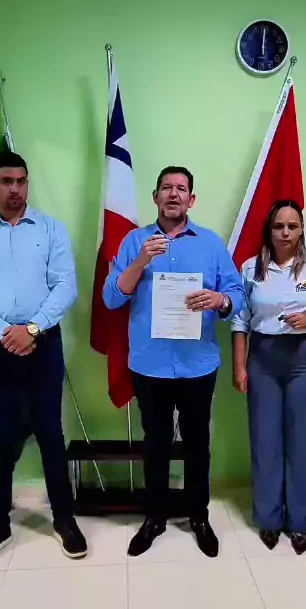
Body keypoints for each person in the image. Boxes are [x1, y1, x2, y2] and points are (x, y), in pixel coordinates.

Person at [0, 151, 87, 571]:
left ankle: (64, 519)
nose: (15, 189)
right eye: (6, 181)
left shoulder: (50, 229)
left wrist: (31, 329)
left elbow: (65, 286)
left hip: (43, 344)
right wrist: (5, 333)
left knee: (50, 433)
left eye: (21, 181)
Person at [103, 166, 245, 558]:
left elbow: (237, 294)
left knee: (198, 443)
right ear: (155, 197)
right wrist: (140, 262)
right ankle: (155, 518)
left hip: (198, 364)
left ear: (191, 199)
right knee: (156, 445)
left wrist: (219, 299)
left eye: (181, 188)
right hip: (150, 366)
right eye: (166, 187)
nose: (173, 194)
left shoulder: (210, 244)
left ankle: (199, 516)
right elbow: (111, 298)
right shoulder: (135, 241)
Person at [231, 200, 306, 555]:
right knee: (265, 442)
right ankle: (269, 519)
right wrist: (239, 366)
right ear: (270, 229)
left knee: (303, 444)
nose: (285, 232)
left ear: (301, 229)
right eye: (279, 226)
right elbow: (239, 321)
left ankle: (303, 523)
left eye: (292, 226)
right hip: (262, 360)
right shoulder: (251, 268)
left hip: (303, 361)